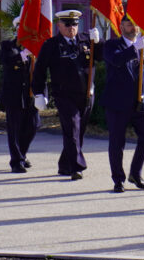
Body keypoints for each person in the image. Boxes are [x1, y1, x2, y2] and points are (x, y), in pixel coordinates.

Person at [31, 10, 102, 180]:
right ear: (59, 25)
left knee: (79, 132)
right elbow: (40, 70)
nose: (72, 28)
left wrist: (98, 43)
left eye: (75, 24)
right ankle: (76, 167)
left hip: (86, 94)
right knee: (72, 128)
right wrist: (39, 93)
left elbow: (101, 57)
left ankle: (64, 164)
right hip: (64, 95)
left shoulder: (86, 40)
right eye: (68, 24)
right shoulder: (51, 45)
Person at [102, 17, 144, 193]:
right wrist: (133, 49)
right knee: (117, 142)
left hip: (141, 102)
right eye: (129, 24)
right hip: (118, 103)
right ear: (121, 26)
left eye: (136, 23)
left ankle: (135, 173)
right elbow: (115, 61)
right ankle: (118, 179)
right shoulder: (111, 45)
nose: (133, 27)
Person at [1, 17, 40, 173]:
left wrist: (42, 93)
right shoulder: (8, 46)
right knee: (15, 129)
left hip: (30, 95)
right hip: (14, 95)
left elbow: (40, 72)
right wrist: (23, 55)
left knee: (33, 125)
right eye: (19, 29)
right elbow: (7, 60)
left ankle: (22, 154)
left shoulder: (35, 49)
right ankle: (16, 161)